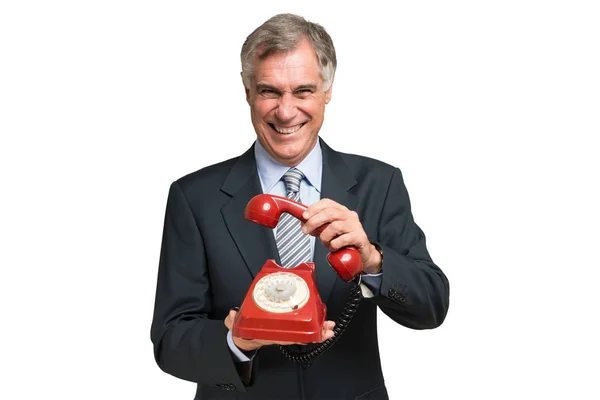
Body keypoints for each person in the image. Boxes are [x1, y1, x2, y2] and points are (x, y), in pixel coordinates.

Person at [150, 13, 450, 400]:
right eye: (270, 91)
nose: (286, 111)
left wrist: (373, 261)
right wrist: (237, 339)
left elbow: (432, 305)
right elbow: (170, 338)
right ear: (247, 92)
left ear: (327, 91)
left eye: (303, 91)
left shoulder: (380, 183)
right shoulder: (195, 197)